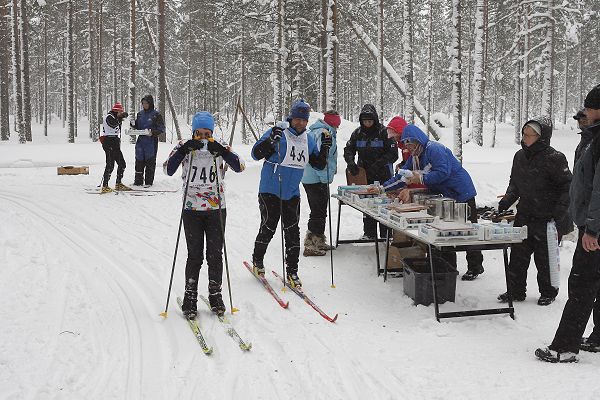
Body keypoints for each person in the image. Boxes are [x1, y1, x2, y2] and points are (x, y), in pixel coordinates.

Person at [535, 84, 600, 363]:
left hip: (594, 226)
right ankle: (597, 338)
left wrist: (592, 228)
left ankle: (564, 347)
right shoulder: (591, 138)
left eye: (588, 106)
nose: (584, 111)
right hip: (591, 221)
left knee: (582, 283)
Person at [164, 111, 245, 318]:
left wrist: (222, 151)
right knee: (195, 255)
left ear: (212, 132)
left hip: (216, 208)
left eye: (206, 133)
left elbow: (240, 166)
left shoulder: (218, 145)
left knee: (215, 254)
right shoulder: (185, 145)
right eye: (198, 133)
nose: (202, 137)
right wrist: (183, 150)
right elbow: (168, 170)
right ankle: (190, 296)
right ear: (192, 132)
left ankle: (215, 294)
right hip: (191, 208)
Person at [382, 124, 484, 281]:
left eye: (411, 144)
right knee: (444, 231)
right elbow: (402, 177)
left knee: (469, 230)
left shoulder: (434, 149)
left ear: (418, 140)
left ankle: (475, 265)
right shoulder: (414, 157)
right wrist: (382, 188)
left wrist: (421, 178)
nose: (409, 148)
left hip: (461, 191)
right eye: (406, 144)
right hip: (444, 196)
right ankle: (448, 268)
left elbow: (443, 172)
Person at [250, 100, 330, 288]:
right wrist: (271, 141)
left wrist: (325, 147)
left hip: (292, 192)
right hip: (270, 189)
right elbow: (255, 153)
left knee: (292, 232)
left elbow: (318, 164)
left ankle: (292, 271)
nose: (300, 123)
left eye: (304, 120)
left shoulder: (308, 139)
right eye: (297, 119)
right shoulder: (279, 132)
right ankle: (257, 261)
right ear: (291, 117)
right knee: (269, 227)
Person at [495, 117, 572, 306]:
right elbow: (515, 183)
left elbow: (567, 186)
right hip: (524, 214)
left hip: (546, 217)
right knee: (518, 256)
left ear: (542, 137)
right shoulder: (519, 156)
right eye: (524, 134)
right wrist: (507, 200)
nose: (526, 138)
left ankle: (548, 292)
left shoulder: (555, 158)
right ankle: (516, 290)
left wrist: (559, 210)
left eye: (531, 135)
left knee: (544, 258)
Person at [344, 104, 398, 239]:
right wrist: (350, 162)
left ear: (375, 120)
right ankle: (369, 233)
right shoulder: (357, 133)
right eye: (365, 121)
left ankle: (386, 234)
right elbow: (349, 149)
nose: (367, 123)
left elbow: (393, 154)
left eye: (370, 121)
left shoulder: (384, 132)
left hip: (384, 174)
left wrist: (379, 164)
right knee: (367, 204)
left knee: (384, 204)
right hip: (363, 175)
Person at [301, 110, 340, 257]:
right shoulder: (324, 133)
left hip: (311, 177)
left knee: (320, 209)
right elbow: (319, 159)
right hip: (315, 177)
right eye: (337, 123)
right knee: (318, 210)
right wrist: (325, 178)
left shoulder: (318, 131)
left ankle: (318, 239)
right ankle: (311, 244)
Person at [130, 94, 165, 186]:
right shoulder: (140, 114)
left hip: (151, 142)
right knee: (139, 161)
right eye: (143, 103)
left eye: (146, 103)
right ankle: (138, 182)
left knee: (150, 162)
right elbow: (137, 126)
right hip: (140, 141)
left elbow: (161, 128)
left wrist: (152, 132)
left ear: (150, 103)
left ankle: (148, 183)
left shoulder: (156, 115)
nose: (144, 105)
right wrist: (133, 124)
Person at [100, 102, 131, 193]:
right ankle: (105, 186)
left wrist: (121, 117)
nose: (121, 113)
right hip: (108, 142)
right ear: (116, 111)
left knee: (122, 163)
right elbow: (113, 124)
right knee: (110, 165)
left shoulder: (115, 117)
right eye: (120, 112)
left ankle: (118, 183)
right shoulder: (109, 117)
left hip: (115, 142)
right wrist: (120, 117)